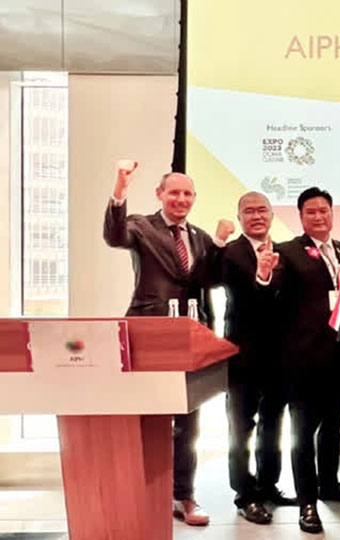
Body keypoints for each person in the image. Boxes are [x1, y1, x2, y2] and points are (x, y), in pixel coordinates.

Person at [103, 161, 233, 526]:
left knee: (188, 421)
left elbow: (209, 279)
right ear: (159, 194)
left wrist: (220, 244)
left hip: (191, 338)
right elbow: (114, 236)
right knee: (146, 417)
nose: (181, 199)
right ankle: (142, 492)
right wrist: (120, 189)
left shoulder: (200, 237)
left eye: (188, 193)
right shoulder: (141, 226)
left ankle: (183, 495)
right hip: (148, 334)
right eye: (174, 192)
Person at [256, 187, 340, 534]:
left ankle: (329, 485)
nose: (318, 217)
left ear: (332, 214)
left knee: (333, 425)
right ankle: (307, 502)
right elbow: (270, 289)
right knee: (303, 432)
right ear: (301, 216)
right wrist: (264, 273)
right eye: (311, 212)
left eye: (324, 211)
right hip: (303, 360)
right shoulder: (287, 251)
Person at [221, 192, 295, 525]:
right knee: (240, 427)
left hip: (278, 354)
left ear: (271, 215)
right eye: (248, 211)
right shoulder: (230, 253)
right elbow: (245, 299)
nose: (256, 216)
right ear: (240, 217)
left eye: (262, 210)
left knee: (273, 423)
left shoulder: (284, 252)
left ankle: (268, 485)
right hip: (242, 354)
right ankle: (244, 494)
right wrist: (262, 275)